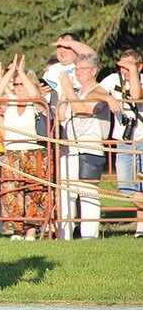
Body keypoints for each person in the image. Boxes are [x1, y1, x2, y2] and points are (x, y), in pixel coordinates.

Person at [0, 56, 49, 240]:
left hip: (33, 152)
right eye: (16, 84)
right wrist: (12, 71)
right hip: (12, 153)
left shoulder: (36, 103)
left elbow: (34, 95)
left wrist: (23, 73)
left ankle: (31, 231)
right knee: (12, 191)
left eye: (22, 84)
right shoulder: (10, 101)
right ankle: (16, 230)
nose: (19, 87)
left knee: (34, 191)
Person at [56, 53, 110, 240]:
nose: (78, 72)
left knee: (87, 192)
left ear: (94, 71)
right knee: (66, 191)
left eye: (83, 69)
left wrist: (69, 91)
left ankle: (89, 236)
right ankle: (65, 235)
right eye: (76, 69)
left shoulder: (99, 91)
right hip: (69, 147)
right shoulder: (75, 91)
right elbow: (62, 115)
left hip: (90, 147)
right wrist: (65, 92)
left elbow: (81, 110)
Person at [99, 50, 143, 238]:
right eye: (122, 66)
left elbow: (135, 96)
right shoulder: (113, 78)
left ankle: (140, 228)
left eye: (128, 66)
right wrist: (108, 97)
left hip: (142, 139)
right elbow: (95, 89)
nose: (123, 70)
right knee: (126, 187)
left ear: (139, 66)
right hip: (124, 141)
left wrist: (133, 72)